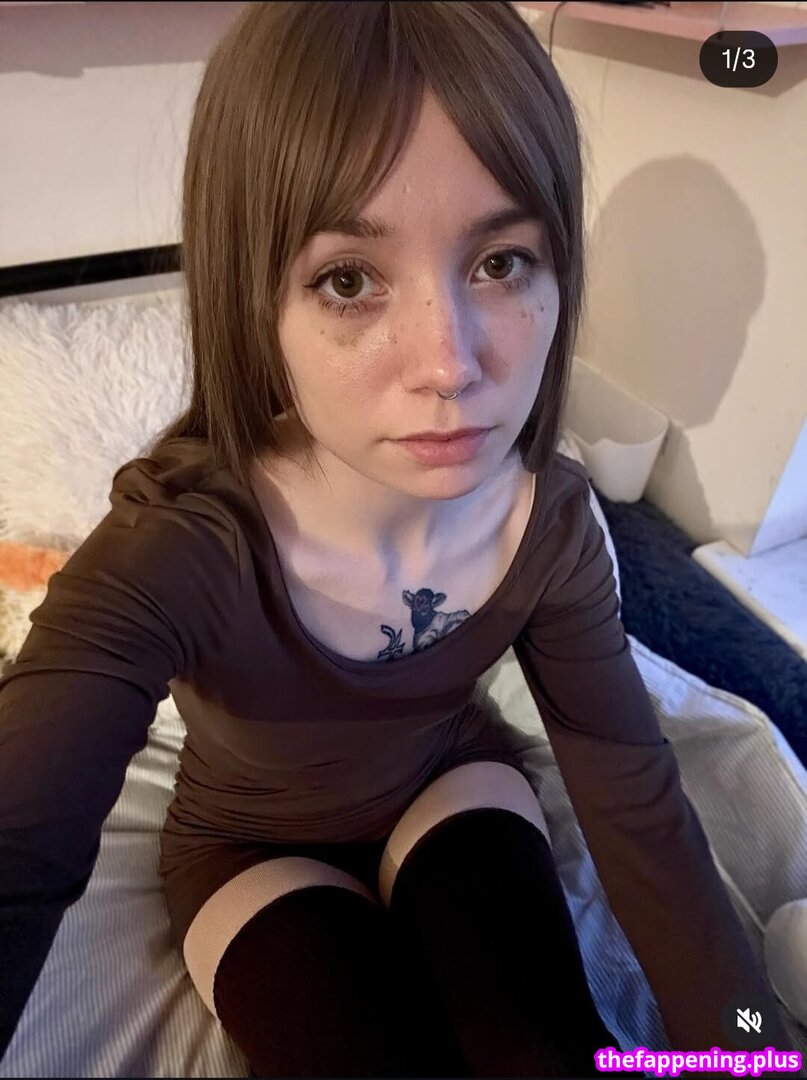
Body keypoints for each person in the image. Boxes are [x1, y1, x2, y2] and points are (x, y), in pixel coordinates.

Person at [0, 2, 792, 1077]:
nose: (449, 364)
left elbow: (632, 797)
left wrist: (752, 1050)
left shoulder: (549, 523)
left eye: (501, 262)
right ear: (254, 301)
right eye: (348, 280)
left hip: (452, 784)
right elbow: (19, 844)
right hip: (249, 853)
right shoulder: (175, 550)